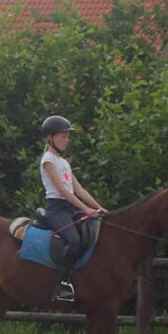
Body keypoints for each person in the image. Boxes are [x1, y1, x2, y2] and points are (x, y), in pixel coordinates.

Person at [39, 115, 107, 302]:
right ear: (51, 137)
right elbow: (62, 190)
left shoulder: (64, 162)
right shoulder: (48, 160)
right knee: (74, 240)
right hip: (56, 209)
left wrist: (100, 208)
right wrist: (86, 210)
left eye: (67, 137)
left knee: (88, 235)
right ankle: (60, 284)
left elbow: (79, 190)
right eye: (63, 136)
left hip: (69, 209)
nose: (66, 140)